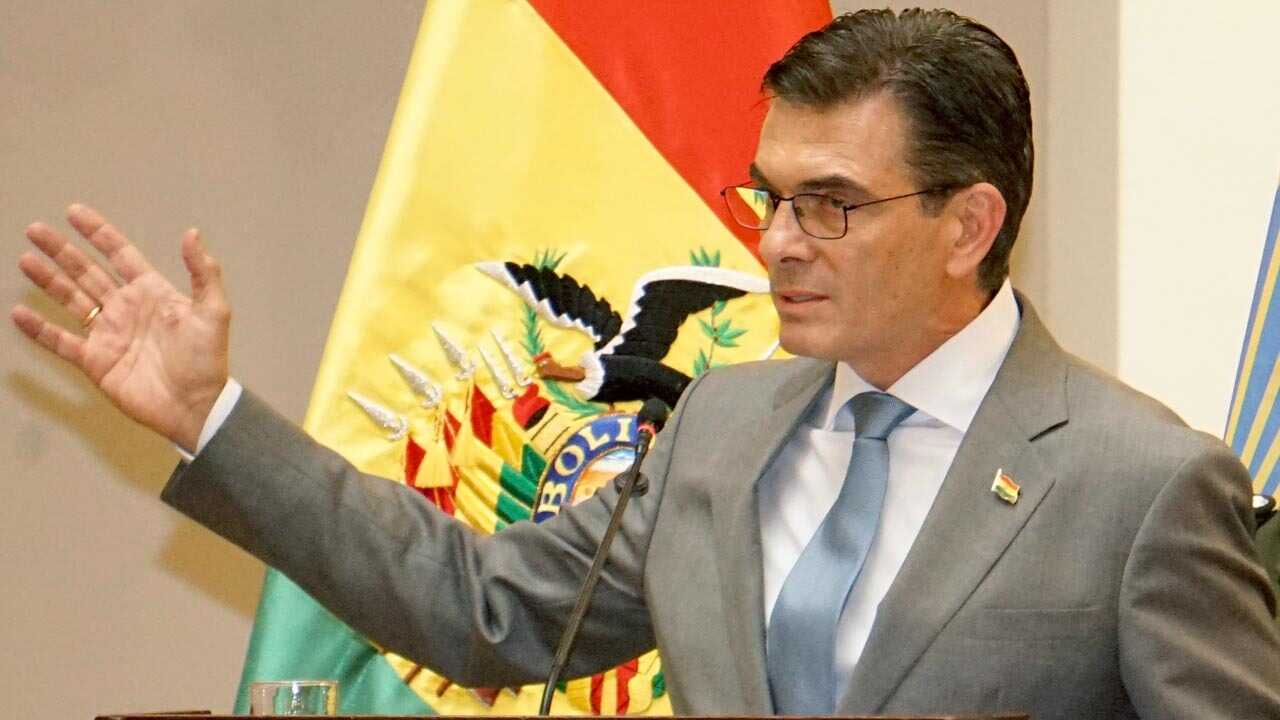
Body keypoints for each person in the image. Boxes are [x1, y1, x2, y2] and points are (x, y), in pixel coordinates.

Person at [12, 9, 1280, 719]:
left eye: (829, 205)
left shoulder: (1138, 487)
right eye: (769, 196)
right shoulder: (723, 426)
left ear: (968, 225)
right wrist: (211, 418)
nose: (775, 243)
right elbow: (480, 608)